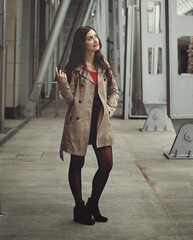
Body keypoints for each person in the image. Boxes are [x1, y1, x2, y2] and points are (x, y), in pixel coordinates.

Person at [55, 26, 119, 225]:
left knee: (107, 164)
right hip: (80, 121)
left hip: (100, 120)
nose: (95, 40)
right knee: (77, 164)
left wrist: (109, 109)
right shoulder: (74, 68)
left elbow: (114, 91)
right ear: (82, 43)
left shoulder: (103, 64)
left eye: (95, 36)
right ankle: (79, 207)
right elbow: (69, 100)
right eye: (90, 38)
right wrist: (63, 84)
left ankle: (93, 203)